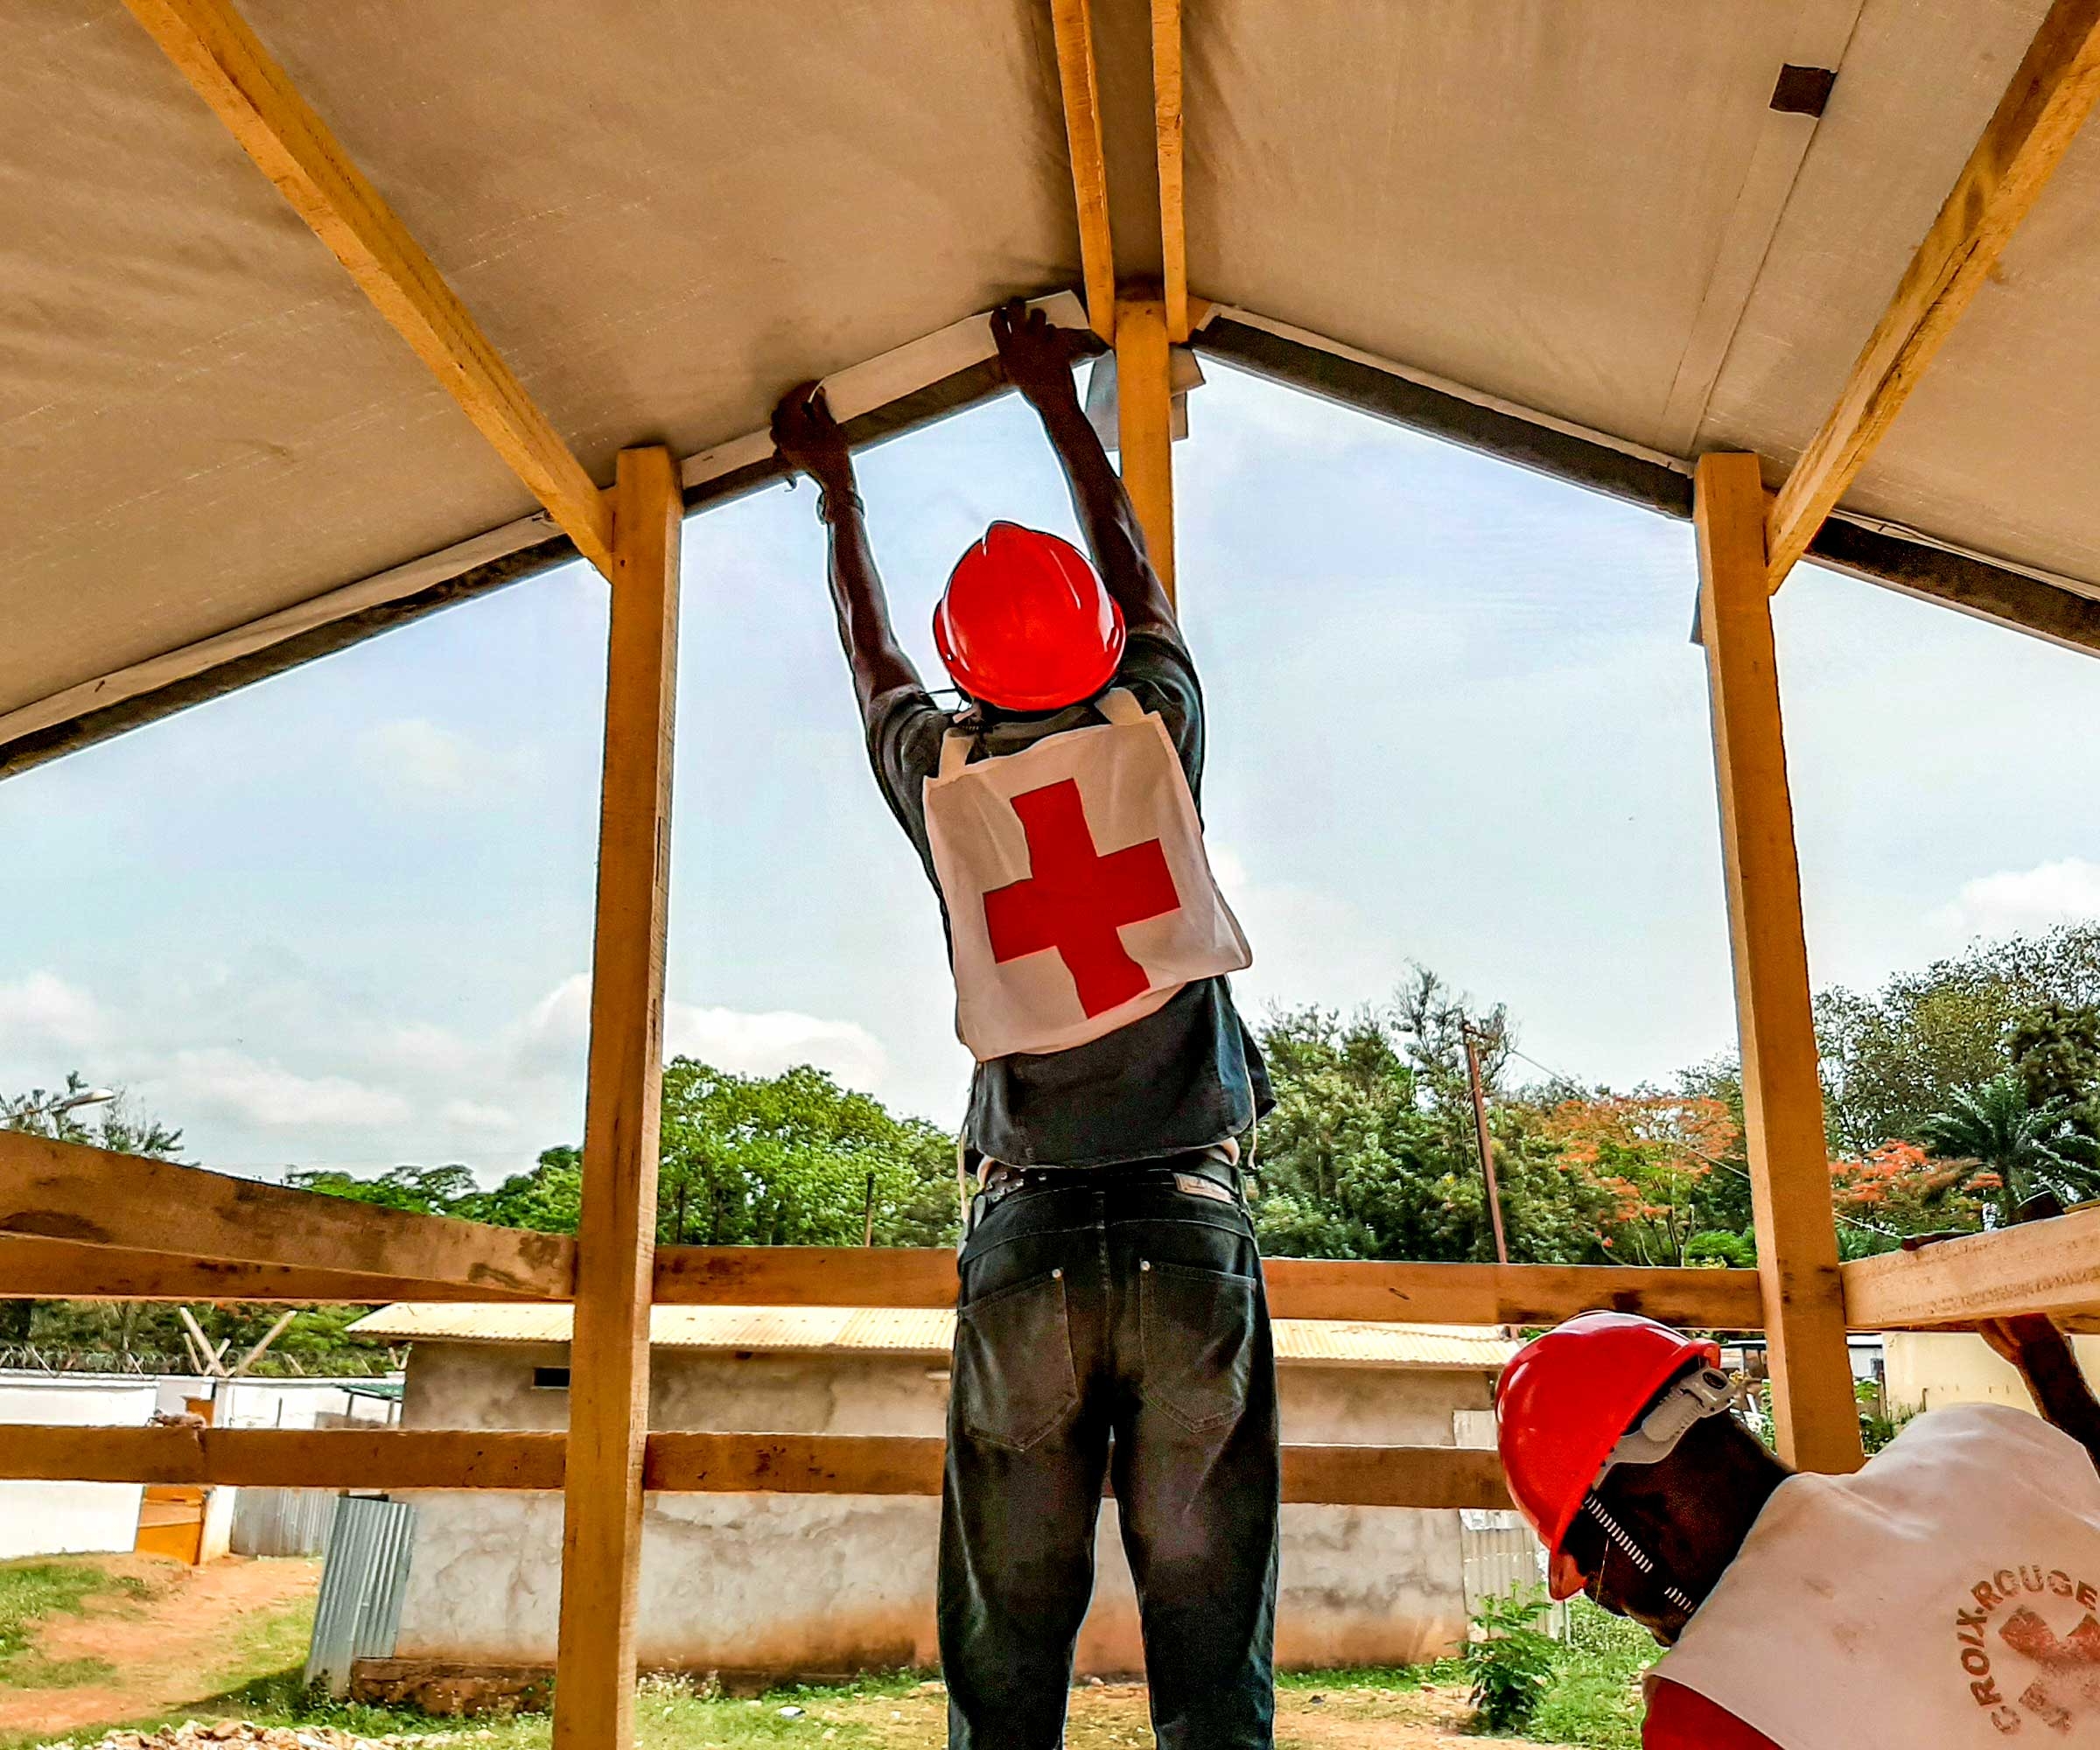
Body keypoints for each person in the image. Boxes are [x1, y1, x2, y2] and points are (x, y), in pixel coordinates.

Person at [770, 298, 1279, 1750]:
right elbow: (1134, 568)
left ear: (965, 669)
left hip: (1029, 1244)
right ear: (1105, 647)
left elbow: (869, 655)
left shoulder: (940, 777)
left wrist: (837, 489)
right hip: (1192, 1232)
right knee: (1210, 1630)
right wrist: (1057, 398)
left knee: (1005, 1644)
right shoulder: (1159, 731)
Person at [1494, 1307, 2100, 1747]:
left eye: (1601, 1581)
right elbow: (2085, 1462)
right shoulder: (1975, 1441)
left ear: (1616, 1525)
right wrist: (2047, 1364)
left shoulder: (1713, 1706)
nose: (1626, 1610)